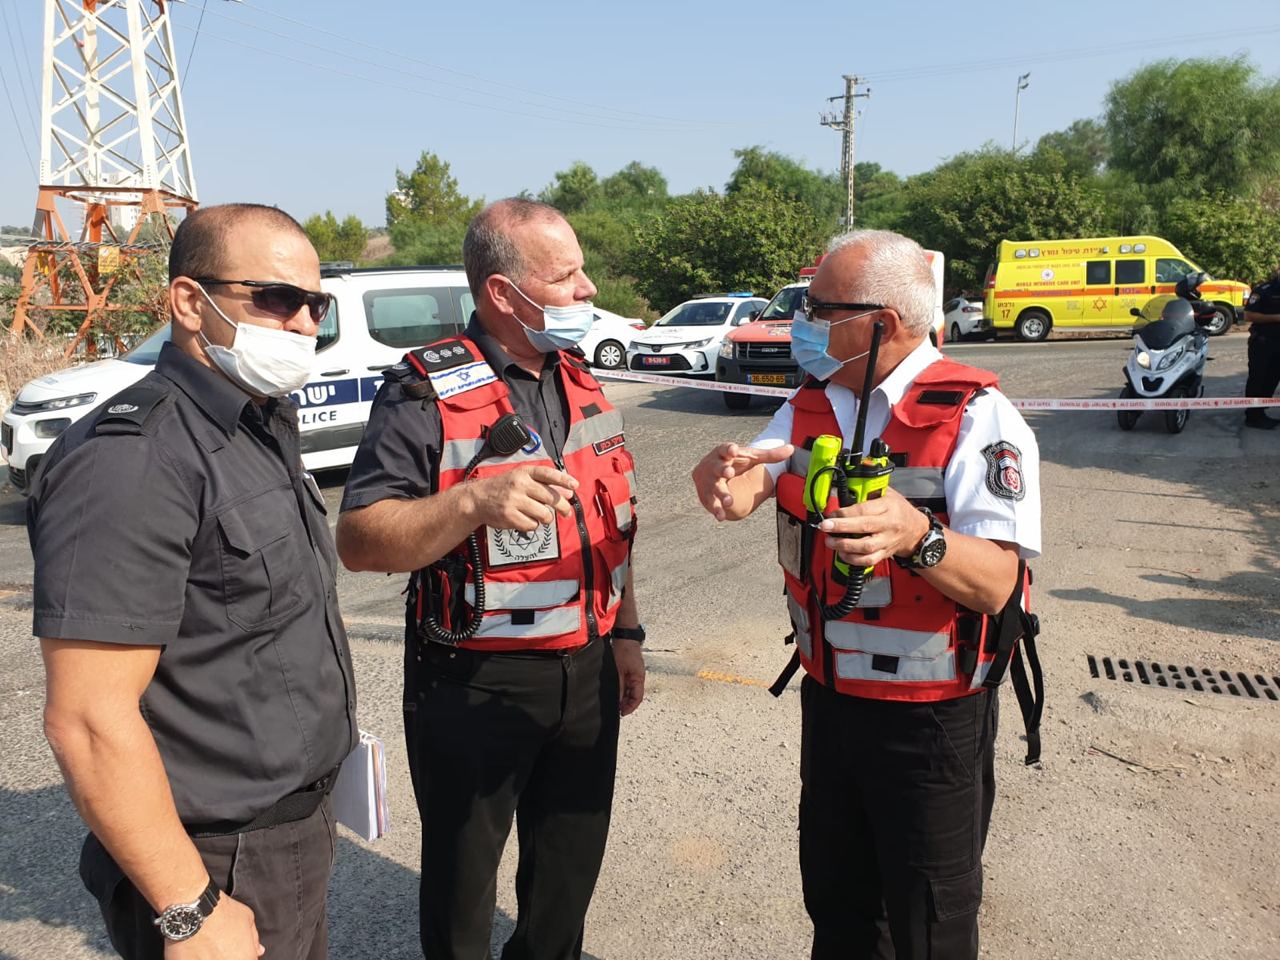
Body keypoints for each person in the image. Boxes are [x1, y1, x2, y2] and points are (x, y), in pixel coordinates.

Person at [692, 230, 1042, 959]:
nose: (802, 322)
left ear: (881, 323)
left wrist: (919, 536)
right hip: (832, 704)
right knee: (839, 905)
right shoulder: (814, 402)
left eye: (820, 308)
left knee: (926, 921)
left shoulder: (978, 417)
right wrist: (726, 481)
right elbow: (755, 477)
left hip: (932, 726)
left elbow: (1001, 583)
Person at [30, 203, 357, 960]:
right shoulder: (133, 459)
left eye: (316, 304)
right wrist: (190, 909)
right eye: (275, 298)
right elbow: (86, 719)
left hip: (288, 833)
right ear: (187, 301)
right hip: (213, 855)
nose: (303, 323)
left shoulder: (254, 422)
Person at [336, 198, 645, 960]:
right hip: (475, 680)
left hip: (589, 666)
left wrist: (628, 634)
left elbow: (615, 522)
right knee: (462, 883)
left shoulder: (584, 380)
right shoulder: (423, 392)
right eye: (567, 275)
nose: (589, 289)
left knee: (568, 874)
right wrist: (472, 501)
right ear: (503, 294)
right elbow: (360, 539)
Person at [1243, 266, 1280, 430]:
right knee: (1258, 378)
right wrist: (1276, 318)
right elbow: (1248, 315)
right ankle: (1252, 416)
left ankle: (1261, 411)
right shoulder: (1263, 290)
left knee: (1273, 379)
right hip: (1263, 343)